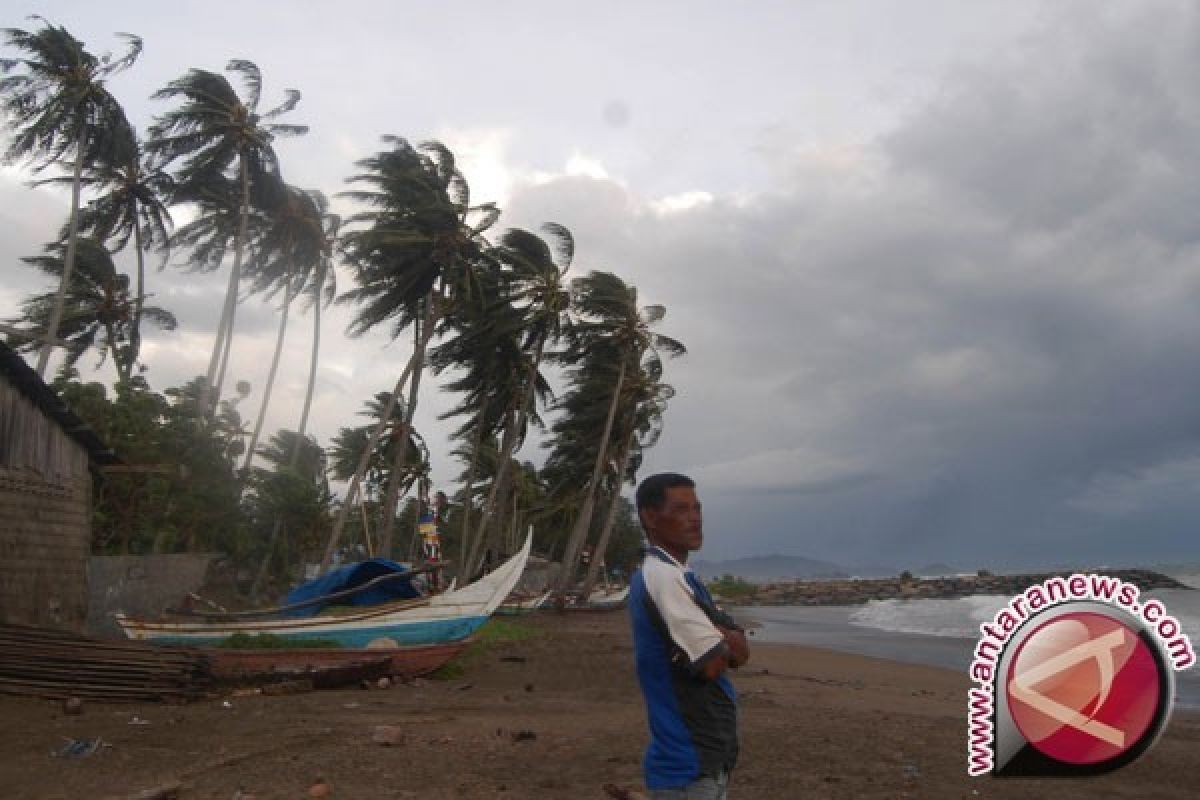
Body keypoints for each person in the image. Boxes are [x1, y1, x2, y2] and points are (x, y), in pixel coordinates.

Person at [629, 473, 749, 799]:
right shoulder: (663, 579)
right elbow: (711, 664)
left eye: (697, 509)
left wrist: (723, 637)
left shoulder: (682, 576)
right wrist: (724, 640)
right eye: (682, 510)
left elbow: (740, 648)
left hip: (707, 760)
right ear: (650, 517)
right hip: (687, 765)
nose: (695, 519)